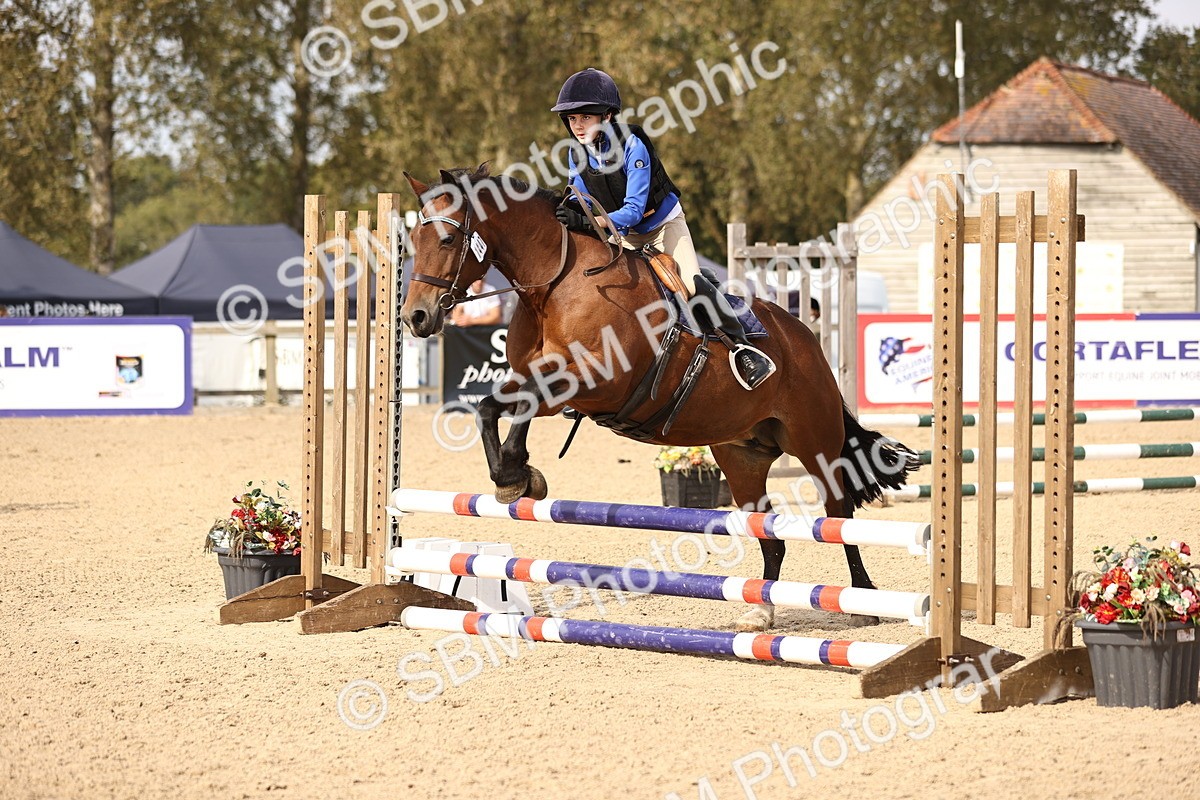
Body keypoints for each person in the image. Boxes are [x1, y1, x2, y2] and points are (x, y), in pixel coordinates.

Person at [550, 68, 775, 391]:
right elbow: (578, 199)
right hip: (622, 236)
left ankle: (742, 349)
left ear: (609, 116)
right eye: (572, 119)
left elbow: (633, 211)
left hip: (661, 227)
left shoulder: (633, 145)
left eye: (586, 117)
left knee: (692, 284)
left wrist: (590, 222)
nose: (578, 125)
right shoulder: (576, 154)